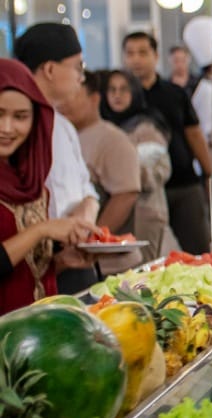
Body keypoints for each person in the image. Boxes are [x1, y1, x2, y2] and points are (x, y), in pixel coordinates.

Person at [0, 59, 96, 313]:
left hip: (40, 328)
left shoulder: (31, 179)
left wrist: (61, 260)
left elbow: (24, 263)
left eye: (20, 117)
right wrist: (42, 229)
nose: (7, 128)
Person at [15, 23, 102, 293]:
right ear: (50, 69)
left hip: (76, 256)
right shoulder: (17, 130)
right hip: (32, 264)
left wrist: (87, 210)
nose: (81, 77)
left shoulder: (63, 125)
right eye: (78, 67)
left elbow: (86, 186)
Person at [123, 31, 212, 254]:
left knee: (200, 250)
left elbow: (193, 133)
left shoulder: (174, 93)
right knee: (141, 257)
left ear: (155, 55)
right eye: (130, 53)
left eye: (143, 52)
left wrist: (209, 173)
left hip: (182, 185)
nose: (136, 59)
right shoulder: (119, 98)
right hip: (140, 192)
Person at [60, 71, 142, 273]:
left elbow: (126, 195)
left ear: (94, 99)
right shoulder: (64, 135)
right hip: (73, 260)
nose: (63, 104)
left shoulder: (113, 139)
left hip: (111, 265)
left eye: (72, 96)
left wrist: (92, 239)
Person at [101, 70, 179, 262]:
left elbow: (159, 171)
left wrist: (126, 171)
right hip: (114, 214)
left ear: (134, 93)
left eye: (123, 90)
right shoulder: (104, 126)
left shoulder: (147, 126)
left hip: (144, 213)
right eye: (112, 90)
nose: (117, 95)